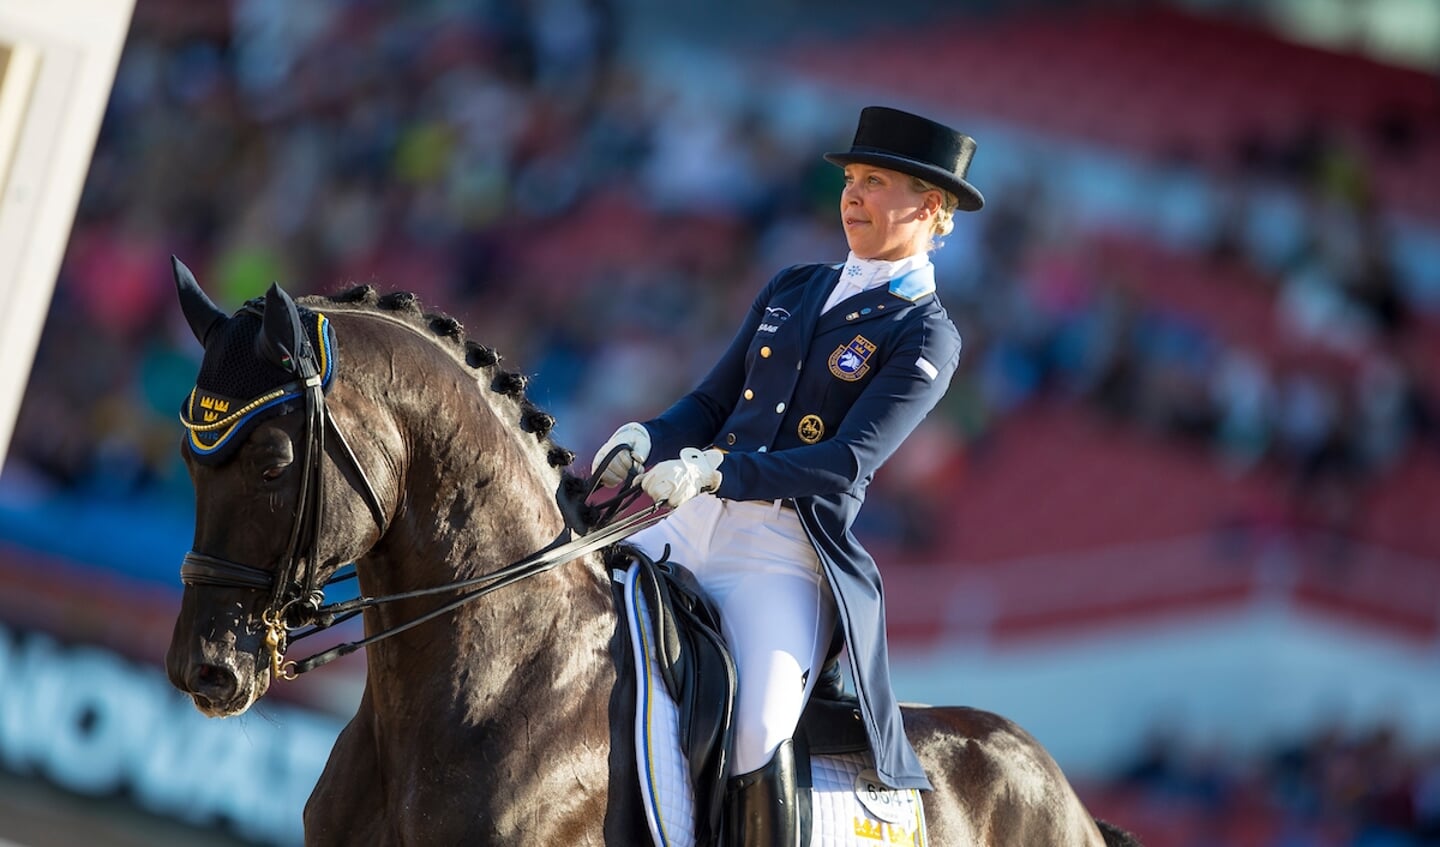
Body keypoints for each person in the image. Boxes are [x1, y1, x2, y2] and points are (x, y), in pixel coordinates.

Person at [591, 105, 982, 846]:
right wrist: (649, 436)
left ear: (929, 207)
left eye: (875, 181)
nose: (853, 194)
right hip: (686, 520)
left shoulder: (925, 331)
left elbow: (848, 460)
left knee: (760, 729)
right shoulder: (796, 286)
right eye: (850, 179)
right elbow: (710, 401)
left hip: (777, 555)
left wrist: (719, 472)